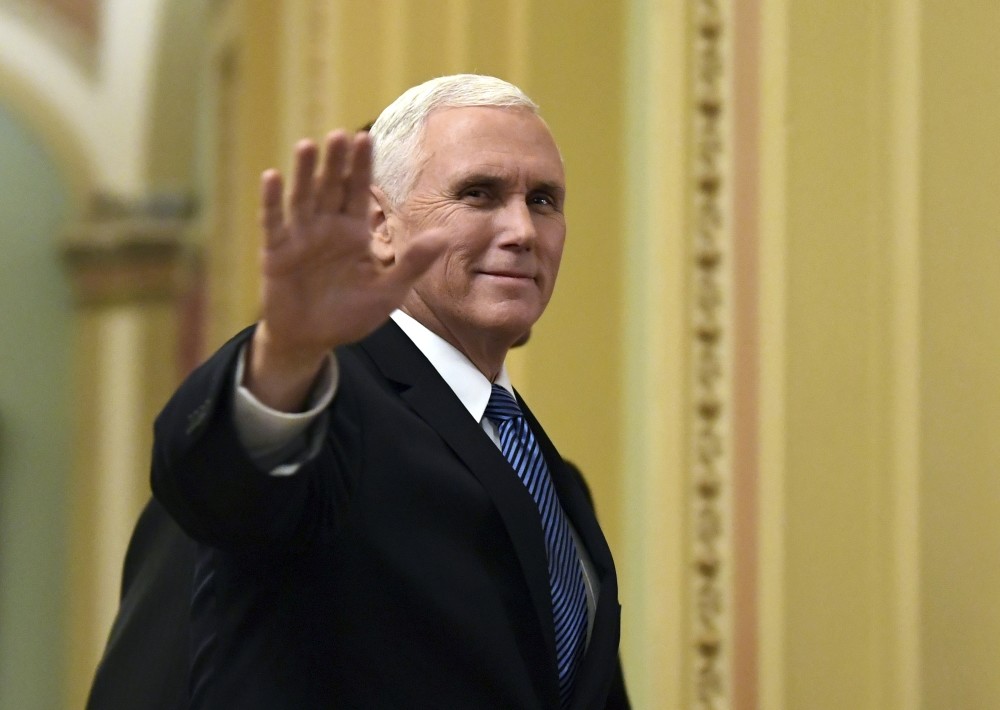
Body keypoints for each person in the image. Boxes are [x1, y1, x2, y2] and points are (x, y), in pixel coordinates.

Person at [149, 74, 629, 708]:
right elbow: (221, 485)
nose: (522, 231)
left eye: (543, 200)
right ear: (379, 223)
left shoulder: (553, 481)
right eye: (479, 194)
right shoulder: (322, 408)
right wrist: (285, 357)